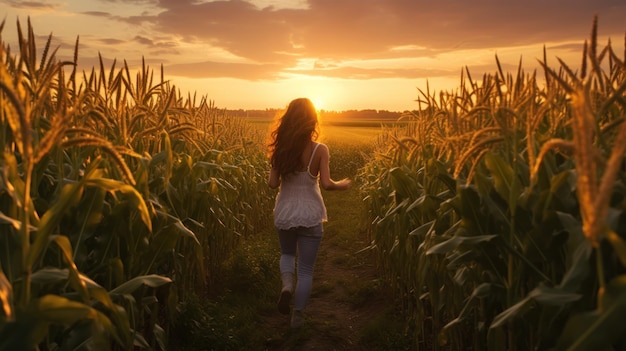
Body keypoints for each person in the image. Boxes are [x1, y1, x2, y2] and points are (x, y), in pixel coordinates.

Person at [268, 97, 351, 328]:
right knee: (305, 269)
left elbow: (273, 184)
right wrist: (341, 184)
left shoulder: (280, 149)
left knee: (287, 255)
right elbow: (326, 184)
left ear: (288, 120)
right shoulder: (320, 150)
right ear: (312, 120)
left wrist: (277, 167)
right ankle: (297, 318)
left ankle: (286, 286)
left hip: (285, 210)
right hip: (311, 213)